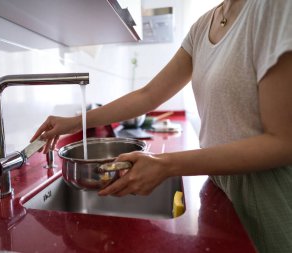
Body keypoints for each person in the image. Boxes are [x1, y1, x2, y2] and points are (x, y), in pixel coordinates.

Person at [31, 0, 292, 252]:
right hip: (220, 185)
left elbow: (283, 142)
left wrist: (165, 164)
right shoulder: (202, 26)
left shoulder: (274, 7)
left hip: (269, 199)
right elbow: (148, 94)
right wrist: (74, 122)